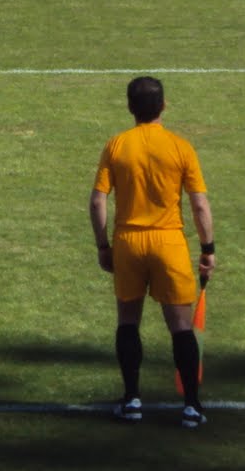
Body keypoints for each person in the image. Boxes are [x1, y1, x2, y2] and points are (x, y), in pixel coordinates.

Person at [89, 75, 215, 428]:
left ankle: (131, 400)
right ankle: (191, 406)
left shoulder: (117, 145)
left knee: (128, 321)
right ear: (163, 106)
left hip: (128, 242)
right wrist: (208, 249)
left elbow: (98, 201)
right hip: (169, 242)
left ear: (130, 107)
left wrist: (103, 245)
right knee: (181, 327)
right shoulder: (181, 147)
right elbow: (200, 205)